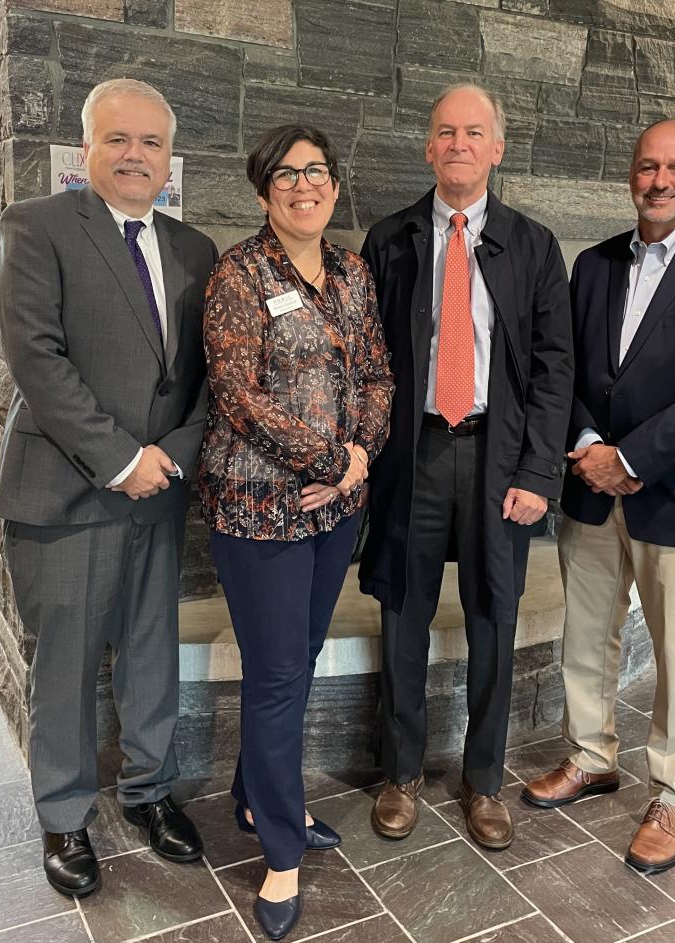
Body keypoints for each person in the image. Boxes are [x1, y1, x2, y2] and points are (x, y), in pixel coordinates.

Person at [522, 119, 675, 875]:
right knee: (587, 635)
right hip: (594, 491)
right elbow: (564, 369)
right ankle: (591, 754)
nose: (658, 181)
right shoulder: (594, 265)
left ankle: (673, 791)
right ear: (630, 175)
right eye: (646, 167)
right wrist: (593, 449)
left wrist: (628, 458)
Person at [0, 78, 216, 897]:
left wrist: (174, 454)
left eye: (151, 143)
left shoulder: (195, 250)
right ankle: (63, 814)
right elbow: (37, 361)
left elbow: (205, 380)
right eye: (117, 140)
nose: (134, 156)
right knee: (68, 665)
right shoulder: (39, 227)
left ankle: (150, 792)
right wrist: (123, 458)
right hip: (70, 491)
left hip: (160, 491)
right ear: (85, 149)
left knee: (151, 652)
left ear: (168, 159)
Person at [360, 84, 575, 850]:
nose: (458, 143)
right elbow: (365, 362)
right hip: (410, 456)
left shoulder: (534, 245)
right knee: (403, 614)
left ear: (497, 148)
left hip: (498, 458)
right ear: (428, 147)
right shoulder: (388, 240)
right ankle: (402, 772)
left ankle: (484, 781)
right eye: (445, 131)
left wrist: (540, 473)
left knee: (495, 616)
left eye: (473, 131)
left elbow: (555, 371)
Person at [198, 124, 393, 940]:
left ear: (335, 187)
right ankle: (280, 850)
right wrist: (327, 455)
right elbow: (239, 393)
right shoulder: (238, 274)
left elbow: (379, 372)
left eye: (316, 172)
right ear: (263, 190)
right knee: (278, 674)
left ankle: (253, 793)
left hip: (334, 510)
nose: (303, 185)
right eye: (286, 173)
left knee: (298, 658)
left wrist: (355, 462)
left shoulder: (351, 271)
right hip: (258, 510)